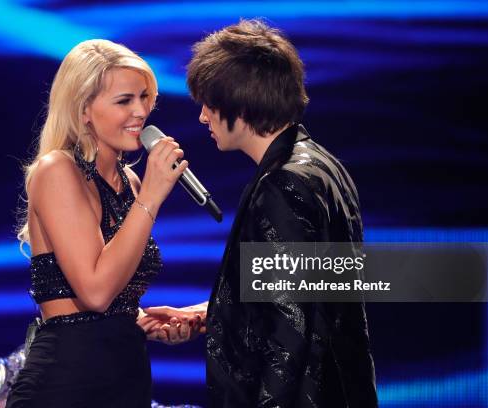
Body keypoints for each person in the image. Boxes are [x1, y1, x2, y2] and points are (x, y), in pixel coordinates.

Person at [142, 20, 378, 407]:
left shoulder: (284, 185)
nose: (203, 117)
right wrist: (211, 313)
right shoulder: (320, 164)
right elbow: (306, 291)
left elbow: (290, 336)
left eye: (210, 103)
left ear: (240, 102)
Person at [5, 39, 199, 408]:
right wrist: (151, 199)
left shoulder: (132, 184)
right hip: (67, 384)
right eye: (125, 101)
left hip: (128, 378)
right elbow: (94, 292)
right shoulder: (57, 171)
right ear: (83, 111)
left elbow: (112, 292)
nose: (141, 111)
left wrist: (144, 320)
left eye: (145, 97)